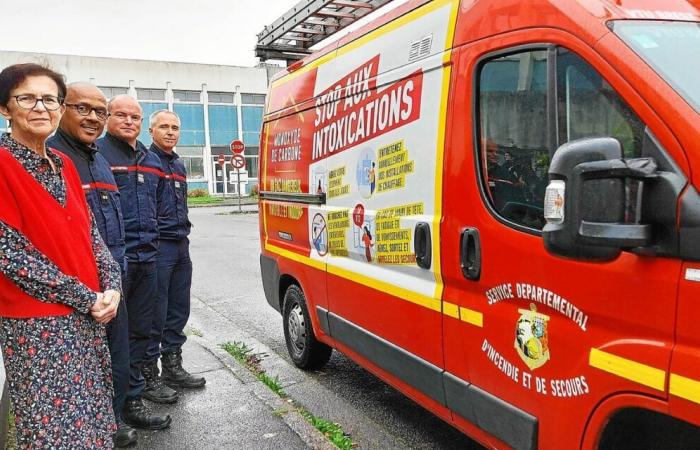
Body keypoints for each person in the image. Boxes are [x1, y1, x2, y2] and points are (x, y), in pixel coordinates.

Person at [0, 63, 120, 448]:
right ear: (5, 108)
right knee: (55, 432)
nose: (40, 107)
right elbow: (11, 255)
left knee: (94, 419)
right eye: (27, 98)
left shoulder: (63, 162)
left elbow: (90, 233)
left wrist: (112, 286)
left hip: (88, 316)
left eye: (50, 99)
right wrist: (88, 298)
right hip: (38, 325)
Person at [47, 82, 137, 447]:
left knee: (117, 355)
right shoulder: (52, 156)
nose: (93, 118)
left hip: (113, 277)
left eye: (100, 112)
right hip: (77, 288)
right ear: (62, 108)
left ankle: (111, 421)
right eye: (83, 108)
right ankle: (95, 428)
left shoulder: (97, 157)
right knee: (84, 366)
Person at [97, 95, 172, 430]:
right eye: (122, 115)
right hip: (116, 261)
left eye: (136, 117)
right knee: (115, 337)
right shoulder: (97, 154)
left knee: (142, 331)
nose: (129, 122)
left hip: (148, 257)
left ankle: (135, 399)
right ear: (108, 117)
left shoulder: (146, 156)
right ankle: (112, 409)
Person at [144, 110, 205, 396]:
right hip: (159, 248)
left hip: (181, 244)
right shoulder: (145, 162)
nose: (170, 132)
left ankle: (172, 365)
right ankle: (150, 374)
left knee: (178, 310)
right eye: (164, 127)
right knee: (157, 311)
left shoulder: (178, 164)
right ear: (151, 131)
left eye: (175, 128)